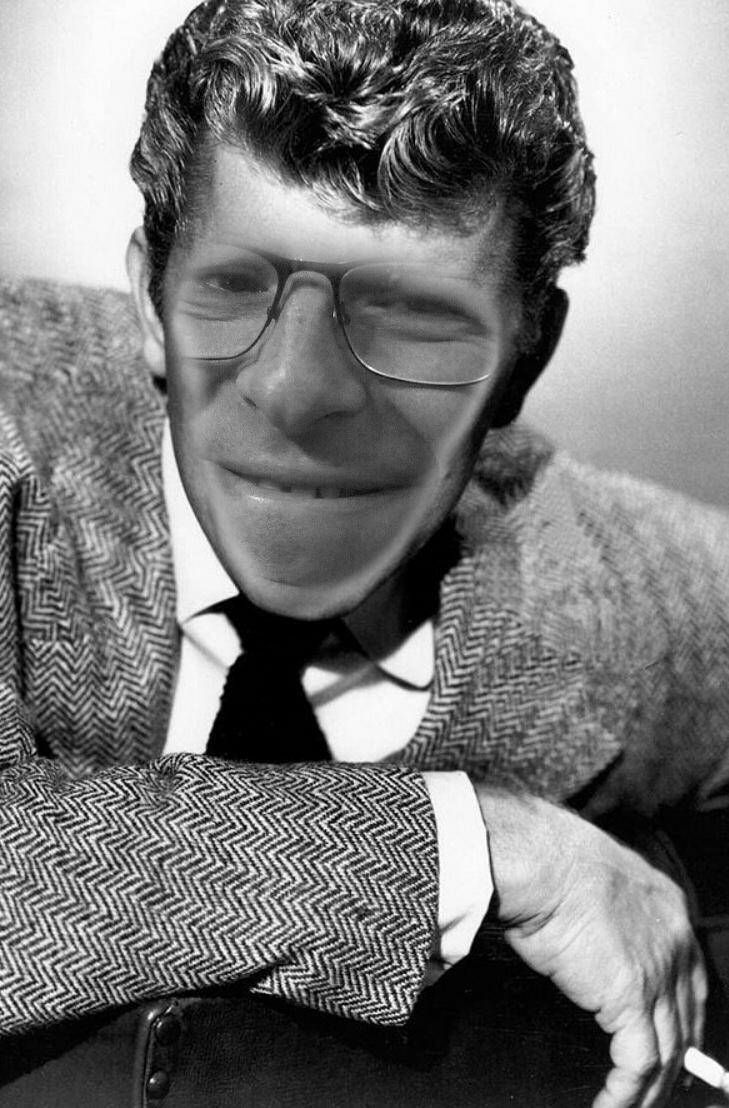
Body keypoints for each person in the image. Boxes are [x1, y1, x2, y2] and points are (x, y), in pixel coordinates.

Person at [0, 1, 727, 1105]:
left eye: (410, 320)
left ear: (525, 359)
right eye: (236, 289)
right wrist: (472, 847)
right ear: (150, 299)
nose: (297, 392)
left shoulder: (615, 589)